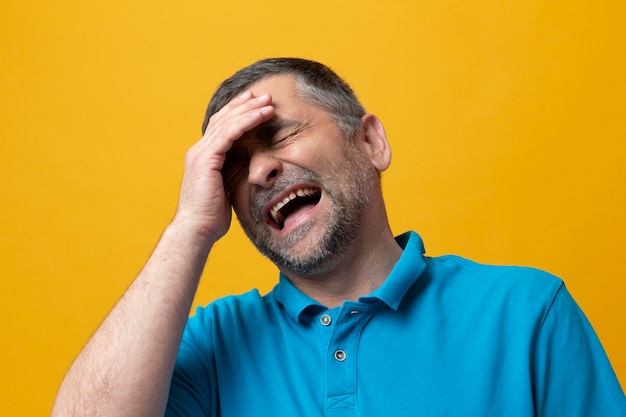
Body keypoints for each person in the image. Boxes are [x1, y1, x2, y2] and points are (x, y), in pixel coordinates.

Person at [52, 58, 626, 416]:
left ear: (371, 143)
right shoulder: (212, 345)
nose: (257, 172)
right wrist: (188, 229)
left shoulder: (528, 315)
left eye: (280, 135)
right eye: (233, 165)